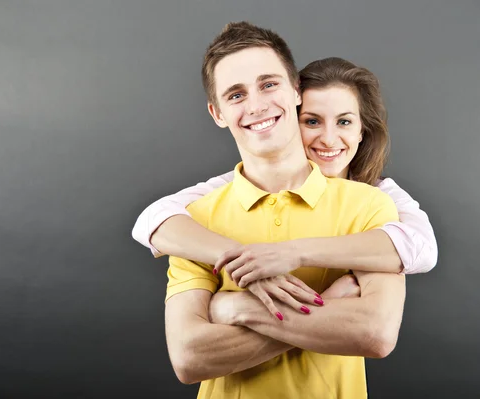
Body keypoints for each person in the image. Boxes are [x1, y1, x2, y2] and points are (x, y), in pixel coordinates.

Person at [138, 21, 409, 398]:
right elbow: (189, 357)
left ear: (295, 90)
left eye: (268, 84)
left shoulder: (368, 206)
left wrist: (238, 309)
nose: (256, 105)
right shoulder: (197, 223)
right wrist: (329, 309)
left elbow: (375, 334)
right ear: (217, 114)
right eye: (236, 95)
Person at [133, 57, 437, 318]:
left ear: (362, 131)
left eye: (344, 122)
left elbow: (422, 248)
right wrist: (248, 263)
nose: (329, 140)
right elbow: (152, 219)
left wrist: (292, 255)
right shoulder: (241, 185)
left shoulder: (379, 196)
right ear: (288, 119)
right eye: (312, 121)